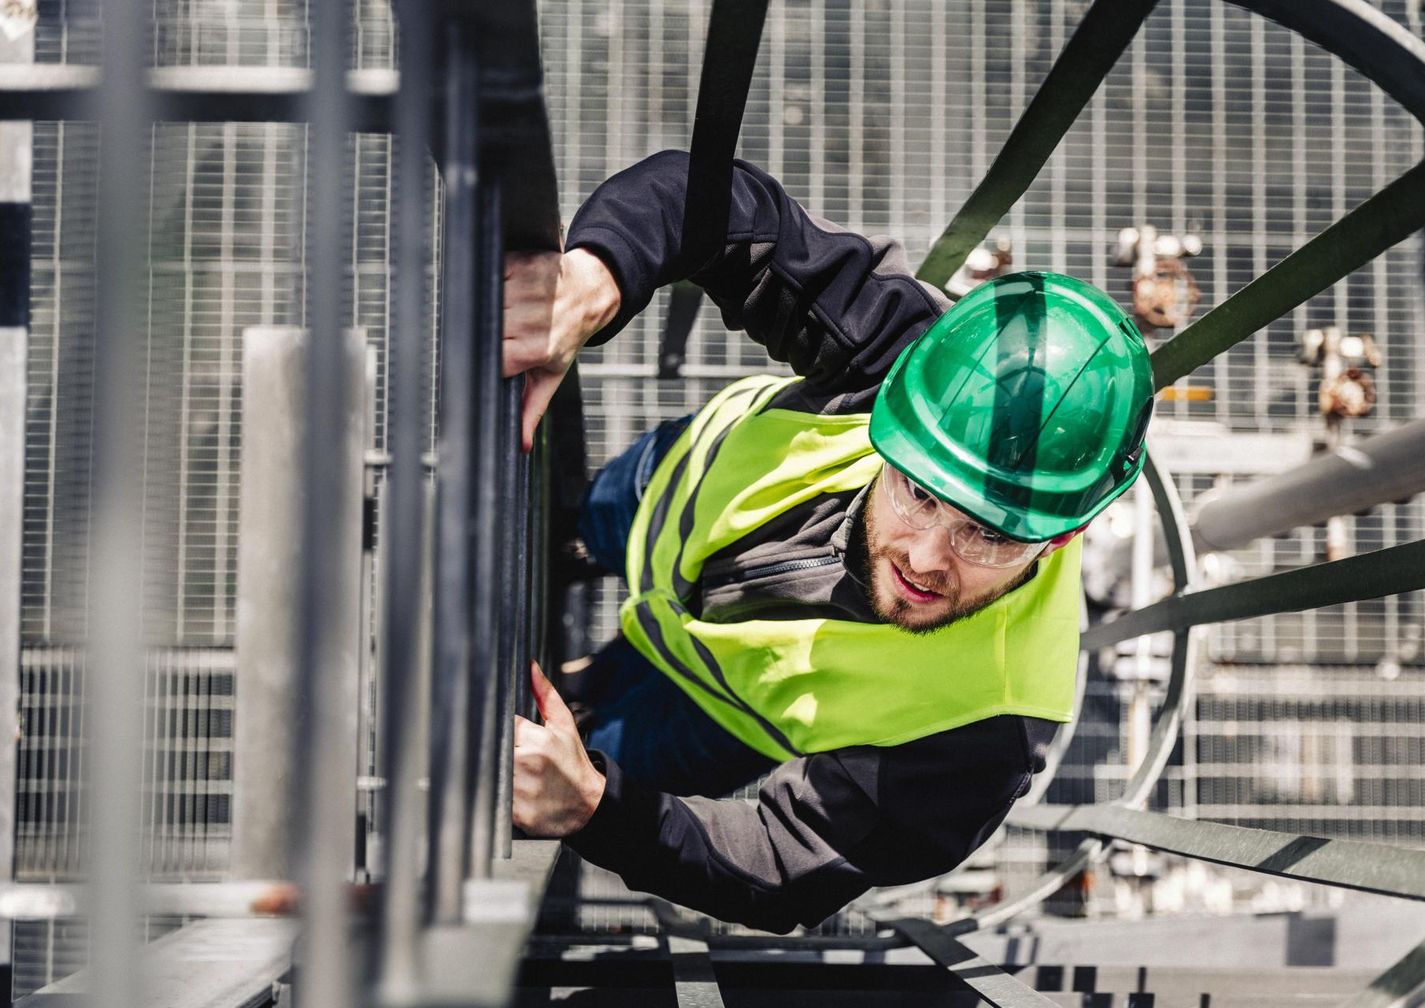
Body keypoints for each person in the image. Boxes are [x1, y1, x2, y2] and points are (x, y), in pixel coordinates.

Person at [503, 150, 1154, 933]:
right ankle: (573, 552)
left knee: (582, 744)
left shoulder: (985, 736)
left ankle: (582, 689)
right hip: (664, 491)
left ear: (1064, 536)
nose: (923, 557)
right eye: (917, 488)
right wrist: (597, 274)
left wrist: (593, 808)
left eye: (986, 536)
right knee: (583, 523)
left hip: (716, 709)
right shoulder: (904, 354)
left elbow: (786, 867)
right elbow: (716, 207)